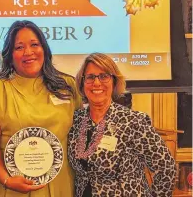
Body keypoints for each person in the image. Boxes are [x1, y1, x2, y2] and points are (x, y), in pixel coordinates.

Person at [0, 20, 82, 197]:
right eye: (19, 47)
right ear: (10, 55)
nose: (28, 52)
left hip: (61, 186)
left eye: (34, 44)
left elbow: (81, 136)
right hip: (12, 189)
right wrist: (7, 179)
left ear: (44, 49)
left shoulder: (67, 86)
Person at [68, 53, 176, 197]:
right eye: (90, 77)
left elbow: (166, 168)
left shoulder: (134, 121)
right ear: (82, 83)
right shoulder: (75, 120)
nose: (97, 83)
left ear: (114, 82)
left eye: (104, 76)